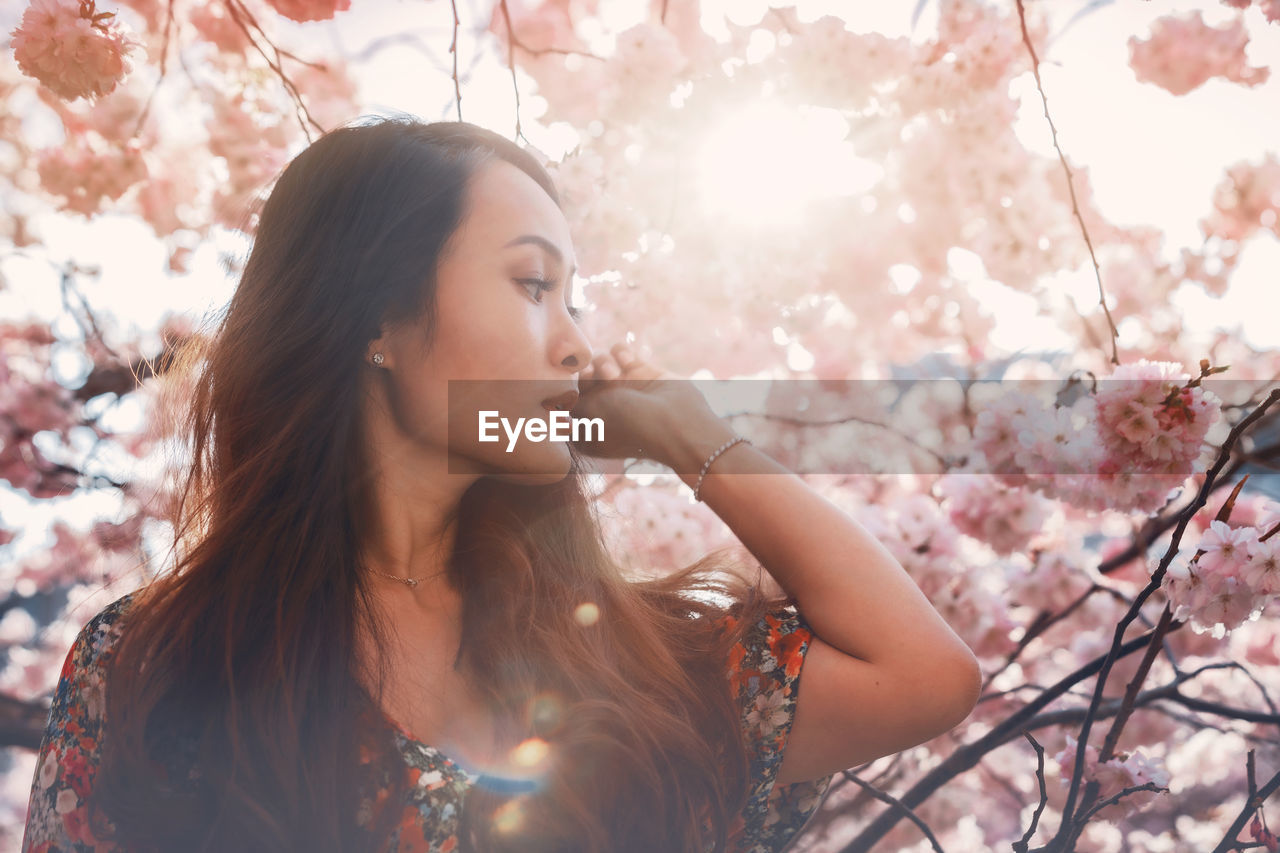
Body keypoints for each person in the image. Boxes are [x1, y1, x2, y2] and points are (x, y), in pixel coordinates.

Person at [21, 116, 982, 853]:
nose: (577, 343)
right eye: (532, 286)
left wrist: (698, 441)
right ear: (379, 318)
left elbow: (926, 676)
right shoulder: (152, 663)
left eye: (575, 299)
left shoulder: (629, 666)